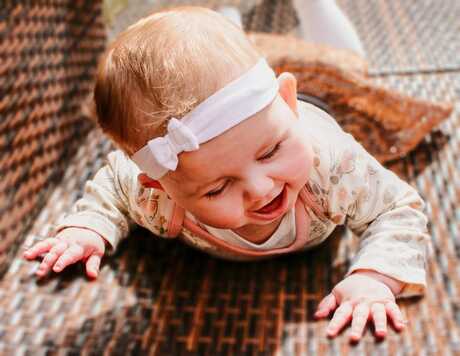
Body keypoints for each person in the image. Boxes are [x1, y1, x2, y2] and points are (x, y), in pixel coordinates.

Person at [23, 7, 429, 341]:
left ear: (286, 104)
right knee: (215, 55)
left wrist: (375, 277)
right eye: (218, 188)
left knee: (347, 64)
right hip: (251, 113)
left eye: (271, 153)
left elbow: (397, 207)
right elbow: (113, 185)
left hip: (317, 96)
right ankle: (228, 12)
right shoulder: (156, 197)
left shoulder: (331, 167)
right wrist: (89, 227)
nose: (260, 187)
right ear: (161, 187)